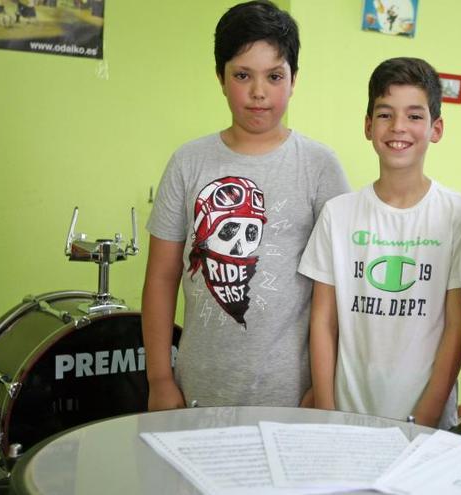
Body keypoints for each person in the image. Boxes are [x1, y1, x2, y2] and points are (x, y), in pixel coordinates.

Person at [143, 0, 350, 411]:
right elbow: (162, 277)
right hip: (197, 391)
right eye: (243, 75)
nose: (259, 92)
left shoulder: (320, 166)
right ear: (221, 78)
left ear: (293, 80)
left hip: (293, 395)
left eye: (274, 76)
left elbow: (341, 289)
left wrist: (323, 388)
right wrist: (159, 378)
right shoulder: (189, 161)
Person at [298, 57, 461, 428]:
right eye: (384, 114)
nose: (398, 127)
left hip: (426, 423)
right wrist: (328, 412)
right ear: (367, 126)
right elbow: (323, 320)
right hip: (345, 418)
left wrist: (423, 416)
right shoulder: (337, 214)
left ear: (436, 128)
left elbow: (458, 328)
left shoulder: (459, 216)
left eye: (414, 115)